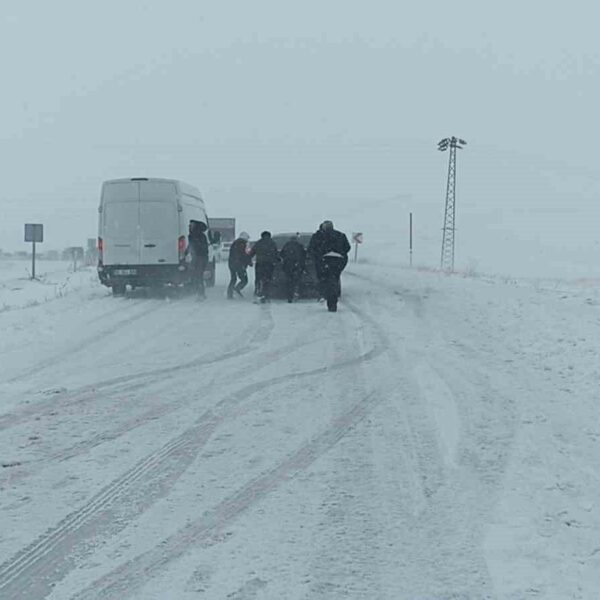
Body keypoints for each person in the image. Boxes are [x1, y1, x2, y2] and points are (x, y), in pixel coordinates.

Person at [308, 220, 350, 312]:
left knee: (325, 280)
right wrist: (341, 254)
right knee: (334, 280)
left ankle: (327, 297)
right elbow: (347, 247)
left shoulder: (317, 236)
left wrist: (317, 257)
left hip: (323, 262)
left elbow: (311, 249)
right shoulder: (340, 235)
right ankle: (332, 301)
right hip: (337, 262)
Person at [249, 230, 279, 303]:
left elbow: (252, 252)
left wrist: (248, 259)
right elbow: (276, 253)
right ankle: (266, 293)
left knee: (259, 278)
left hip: (260, 263)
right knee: (267, 279)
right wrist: (277, 260)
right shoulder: (272, 243)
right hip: (269, 264)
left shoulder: (258, 243)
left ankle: (258, 291)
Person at [280, 234, 306, 303]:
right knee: (297, 280)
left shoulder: (286, 245)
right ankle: (297, 292)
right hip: (298, 265)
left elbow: (281, 254)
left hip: (288, 265)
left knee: (289, 281)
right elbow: (304, 255)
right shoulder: (300, 246)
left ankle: (289, 296)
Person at [186, 220, 209, 299]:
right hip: (199, 257)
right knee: (197, 275)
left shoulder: (197, 236)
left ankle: (200, 293)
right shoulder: (195, 235)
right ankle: (200, 292)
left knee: (198, 275)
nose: (189, 226)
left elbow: (198, 247)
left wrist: (191, 251)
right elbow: (191, 246)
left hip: (200, 258)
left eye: (191, 225)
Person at [227, 231, 252, 299]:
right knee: (244, 280)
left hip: (232, 264)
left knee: (233, 279)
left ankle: (229, 294)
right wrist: (249, 262)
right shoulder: (242, 243)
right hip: (239, 265)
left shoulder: (235, 243)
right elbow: (243, 255)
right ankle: (236, 289)